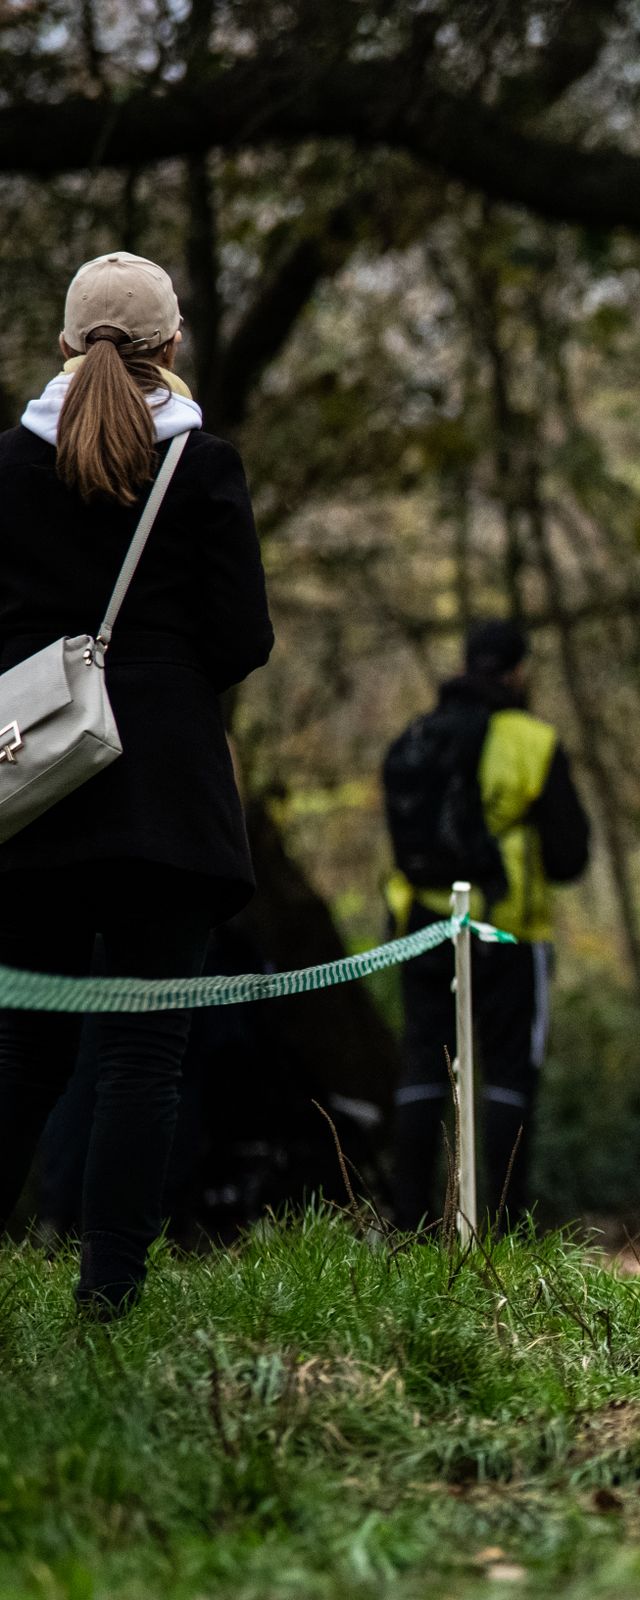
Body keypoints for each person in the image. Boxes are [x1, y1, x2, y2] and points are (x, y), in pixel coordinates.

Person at [0, 251, 275, 1318]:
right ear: (174, 344)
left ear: (66, 343)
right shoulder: (203, 467)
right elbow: (243, 637)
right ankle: (109, 1297)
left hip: (34, 791)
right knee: (144, 1058)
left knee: (23, 1051)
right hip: (166, 798)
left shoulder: (9, 465)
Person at [383, 620, 590, 1233]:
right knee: (508, 1071)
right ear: (519, 671)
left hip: (423, 924)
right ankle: (502, 1227)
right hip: (508, 928)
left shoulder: (418, 735)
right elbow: (569, 857)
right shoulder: (532, 742)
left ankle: (408, 1224)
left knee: (424, 1063)